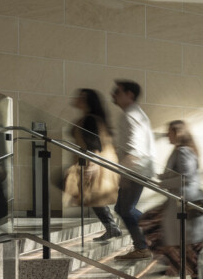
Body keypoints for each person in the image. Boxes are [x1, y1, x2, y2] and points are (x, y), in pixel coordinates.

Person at [158, 120, 203, 279]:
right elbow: (179, 174)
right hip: (185, 203)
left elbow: (186, 177)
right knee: (189, 246)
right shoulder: (183, 150)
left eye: (169, 132)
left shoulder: (183, 151)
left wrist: (162, 182)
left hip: (186, 204)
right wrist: (161, 176)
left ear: (177, 132)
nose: (167, 135)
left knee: (190, 246)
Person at [66, 88, 122, 240]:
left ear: (88, 101)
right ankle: (112, 227)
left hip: (94, 161)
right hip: (94, 160)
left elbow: (94, 145)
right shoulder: (91, 118)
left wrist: (92, 165)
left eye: (81, 97)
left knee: (94, 196)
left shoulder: (90, 119)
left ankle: (112, 227)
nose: (77, 98)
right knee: (94, 198)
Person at [110, 80, 155, 261]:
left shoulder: (130, 115)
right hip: (137, 169)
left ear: (130, 95)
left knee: (126, 209)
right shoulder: (134, 114)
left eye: (118, 92)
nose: (113, 94)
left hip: (135, 170)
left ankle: (146, 242)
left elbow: (134, 149)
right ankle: (145, 242)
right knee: (122, 208)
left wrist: (122, 174)